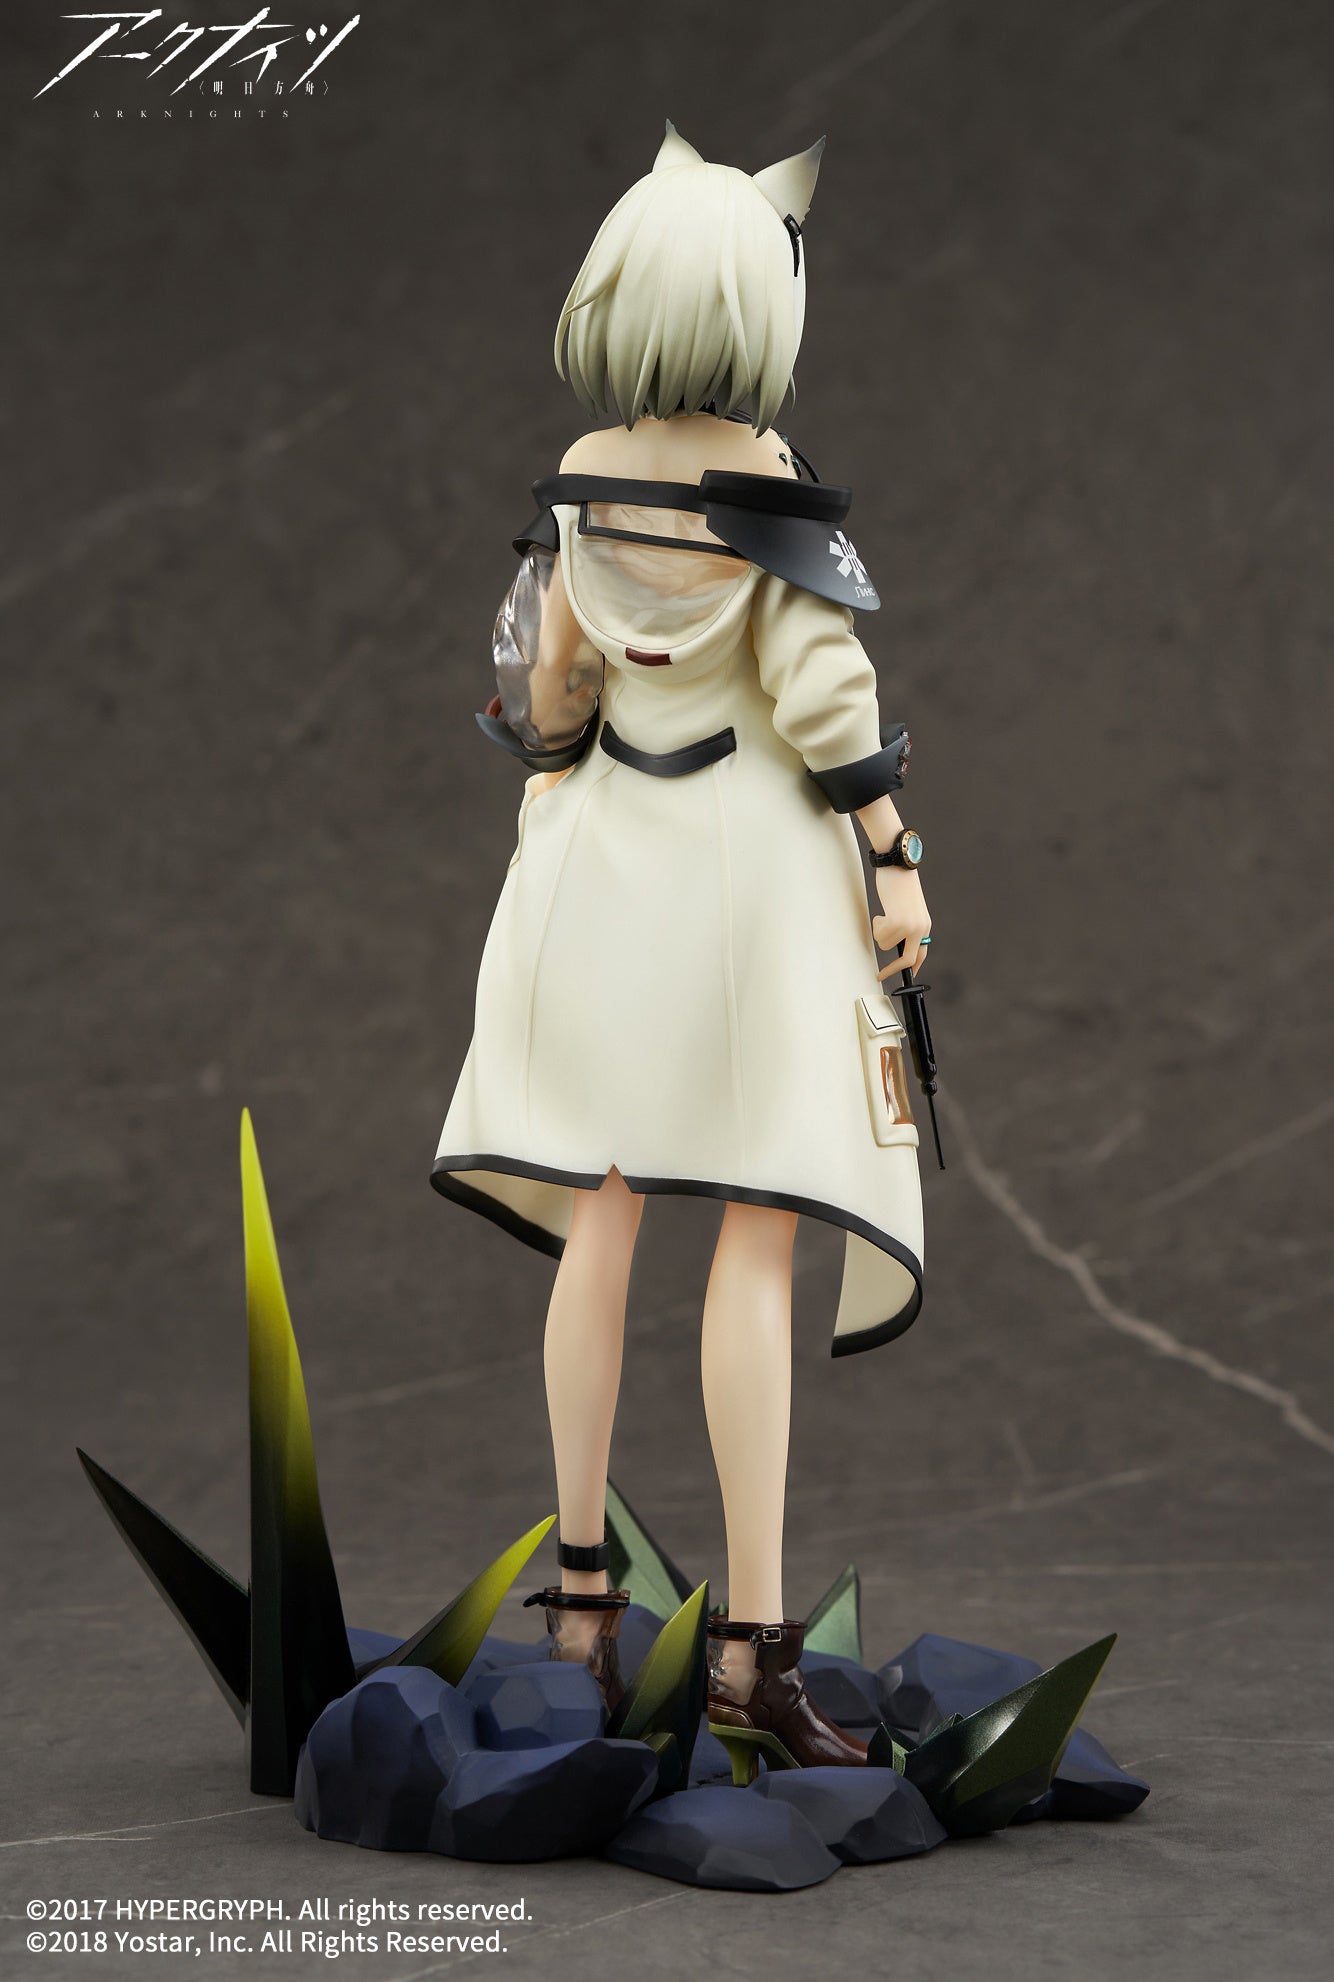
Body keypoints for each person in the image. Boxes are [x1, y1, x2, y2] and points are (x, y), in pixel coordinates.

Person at [432, 122, 932, 1770]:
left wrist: (566, 742)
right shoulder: (764, 489)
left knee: (603, 1213)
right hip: (743, 892)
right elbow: (826, 703)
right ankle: (750, 1649)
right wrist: (893, 855)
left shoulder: (583, 474)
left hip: (601, 870)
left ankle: (580, 1604)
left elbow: (550, 689)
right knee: (754, 1237)